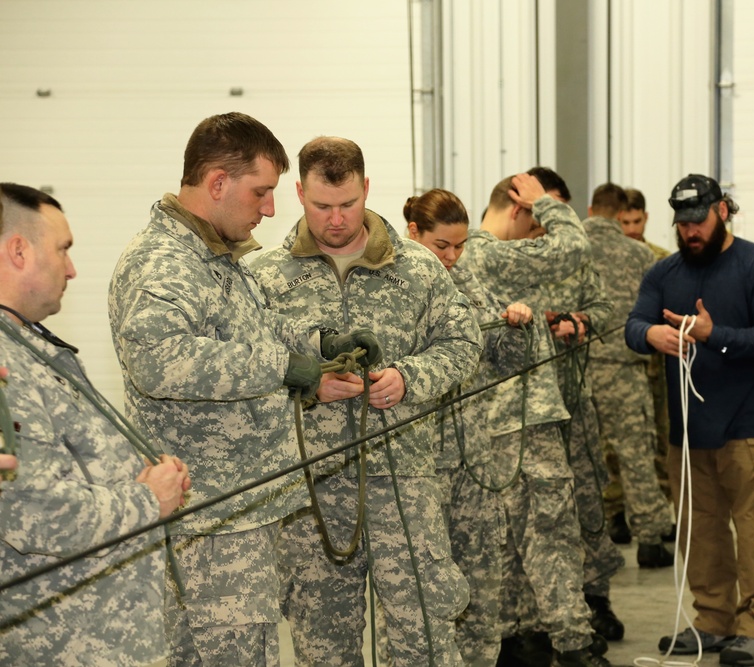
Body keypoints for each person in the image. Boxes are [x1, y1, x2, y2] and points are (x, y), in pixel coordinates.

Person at [250, 137, 483, 667]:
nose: (336, 219)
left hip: (404, 480)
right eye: (322, 206)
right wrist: (306, 383)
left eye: (348, 204)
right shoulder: (264, 277)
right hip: (312, 485)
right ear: (299, 193)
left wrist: (409, 376)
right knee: (321, 640)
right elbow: (249, 365)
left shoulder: (418, 268)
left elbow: (465, 342)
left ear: (367, 189)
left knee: (422, 630)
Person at [108, 113, 324, 667]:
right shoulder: (163, 261)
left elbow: (259, 331)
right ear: (218, 183)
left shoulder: (219, 257)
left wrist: (323, 343)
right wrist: (284, 367)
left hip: (242, 509)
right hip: (210, 520)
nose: (271, 209)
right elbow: (160, 360)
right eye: (262, 192)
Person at [0, 183, 190, 665]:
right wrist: (149, 499)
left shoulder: (28, 343)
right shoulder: (4, 360)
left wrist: (146, 470)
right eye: (62, 249)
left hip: (103, 635)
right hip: (63, 645)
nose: (71, 268)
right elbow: (33, 512)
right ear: (18, 250)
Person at [625, 174, 754, 667]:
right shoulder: (663, 273)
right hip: (688, 430)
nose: (690, 232)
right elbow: (633, 324)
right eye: (683, 224)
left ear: (723, 211)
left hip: (750, 428)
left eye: (699, 221)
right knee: (699, 531)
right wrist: (651, 333)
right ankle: (713, 621)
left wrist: (716, 335)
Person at [462, 172, 611, 667]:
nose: (535, 238)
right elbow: (573, 248)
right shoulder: (488, 253)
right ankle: (573, 644)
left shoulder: (460, 258)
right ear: (518, 209)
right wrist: (548, 202)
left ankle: (519, 636)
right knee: (551, 533)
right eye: (532, 225)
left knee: (503, 536)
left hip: (483, 424)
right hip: (524, 418)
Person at [404, 188, 533, 666]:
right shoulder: (391, 286)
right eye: (442, 246)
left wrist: (516, 324)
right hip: (420, 466)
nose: (453, 257)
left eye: (459, 246)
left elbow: (510, 360)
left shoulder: (468, 279)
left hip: (474, 461)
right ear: (413, 233)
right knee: (422, 590)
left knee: (481, 581)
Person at [526, 170, 629, 644]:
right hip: (527, 414)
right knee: (540, 519)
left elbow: (606, 309)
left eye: (560, 208)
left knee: (588, 504)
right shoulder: (514, 258)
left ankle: (595, 596)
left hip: (574, 404)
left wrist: (581, 321)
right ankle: (538, 615)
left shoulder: (575, 263)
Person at [583, 183, 674, 569]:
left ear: (590, 209)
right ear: (620, 214)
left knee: (586, 458)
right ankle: (650, 539)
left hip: (580, 371)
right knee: (637, 454)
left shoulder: (570, 249)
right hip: (625, 369)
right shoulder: (640, 254)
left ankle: (595, 535)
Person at [608, 187, 672, 546]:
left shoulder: (661, 259)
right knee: (615, 443)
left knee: (659, 436)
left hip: (656, 364)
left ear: (646, 219)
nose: (631, 228)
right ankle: (616, 511)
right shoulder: (607, 258)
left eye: (636, 221)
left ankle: (660, 509)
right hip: (620, 364)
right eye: (624, 222)